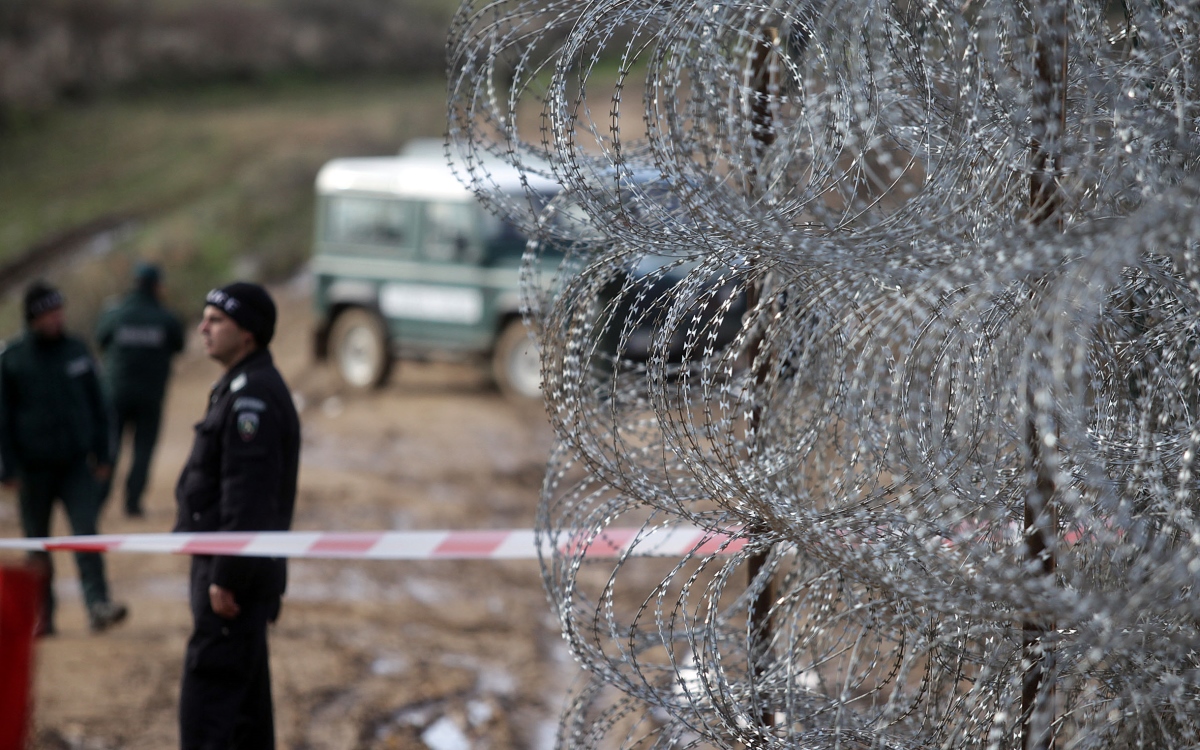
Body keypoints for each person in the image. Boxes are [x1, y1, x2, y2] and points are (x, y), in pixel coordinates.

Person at [175, 282, 300, 750]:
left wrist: (226, 574)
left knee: (207, 712)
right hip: (234, 573)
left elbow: (247, 496)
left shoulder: (254, 397)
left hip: (234, 583)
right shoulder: (240, 385)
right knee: (245, 717)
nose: (203, 327)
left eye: (216, 320)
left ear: (247, 333)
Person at [0, 281, 129, 635]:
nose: (57, 319)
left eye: (59, 312)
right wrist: (6, 466)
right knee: (37, 544)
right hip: (32, 470)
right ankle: (43, 616)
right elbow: (2, 418)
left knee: (86, 535)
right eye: (49, 313)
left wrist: (104, 454)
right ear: (33, 317)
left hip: (76, 465)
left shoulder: (77, 351)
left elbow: (100, 406)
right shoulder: (12, 359)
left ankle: (98, 605)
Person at [95, 262, 185, 518]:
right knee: (143, 449)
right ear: (157, 286)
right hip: (150, 395)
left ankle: (98, 501)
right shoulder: (165, 317)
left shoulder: (115, 313)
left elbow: (100, 340)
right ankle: (132, 503)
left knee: (110, 448)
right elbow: (179, 345)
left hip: (116, 393)